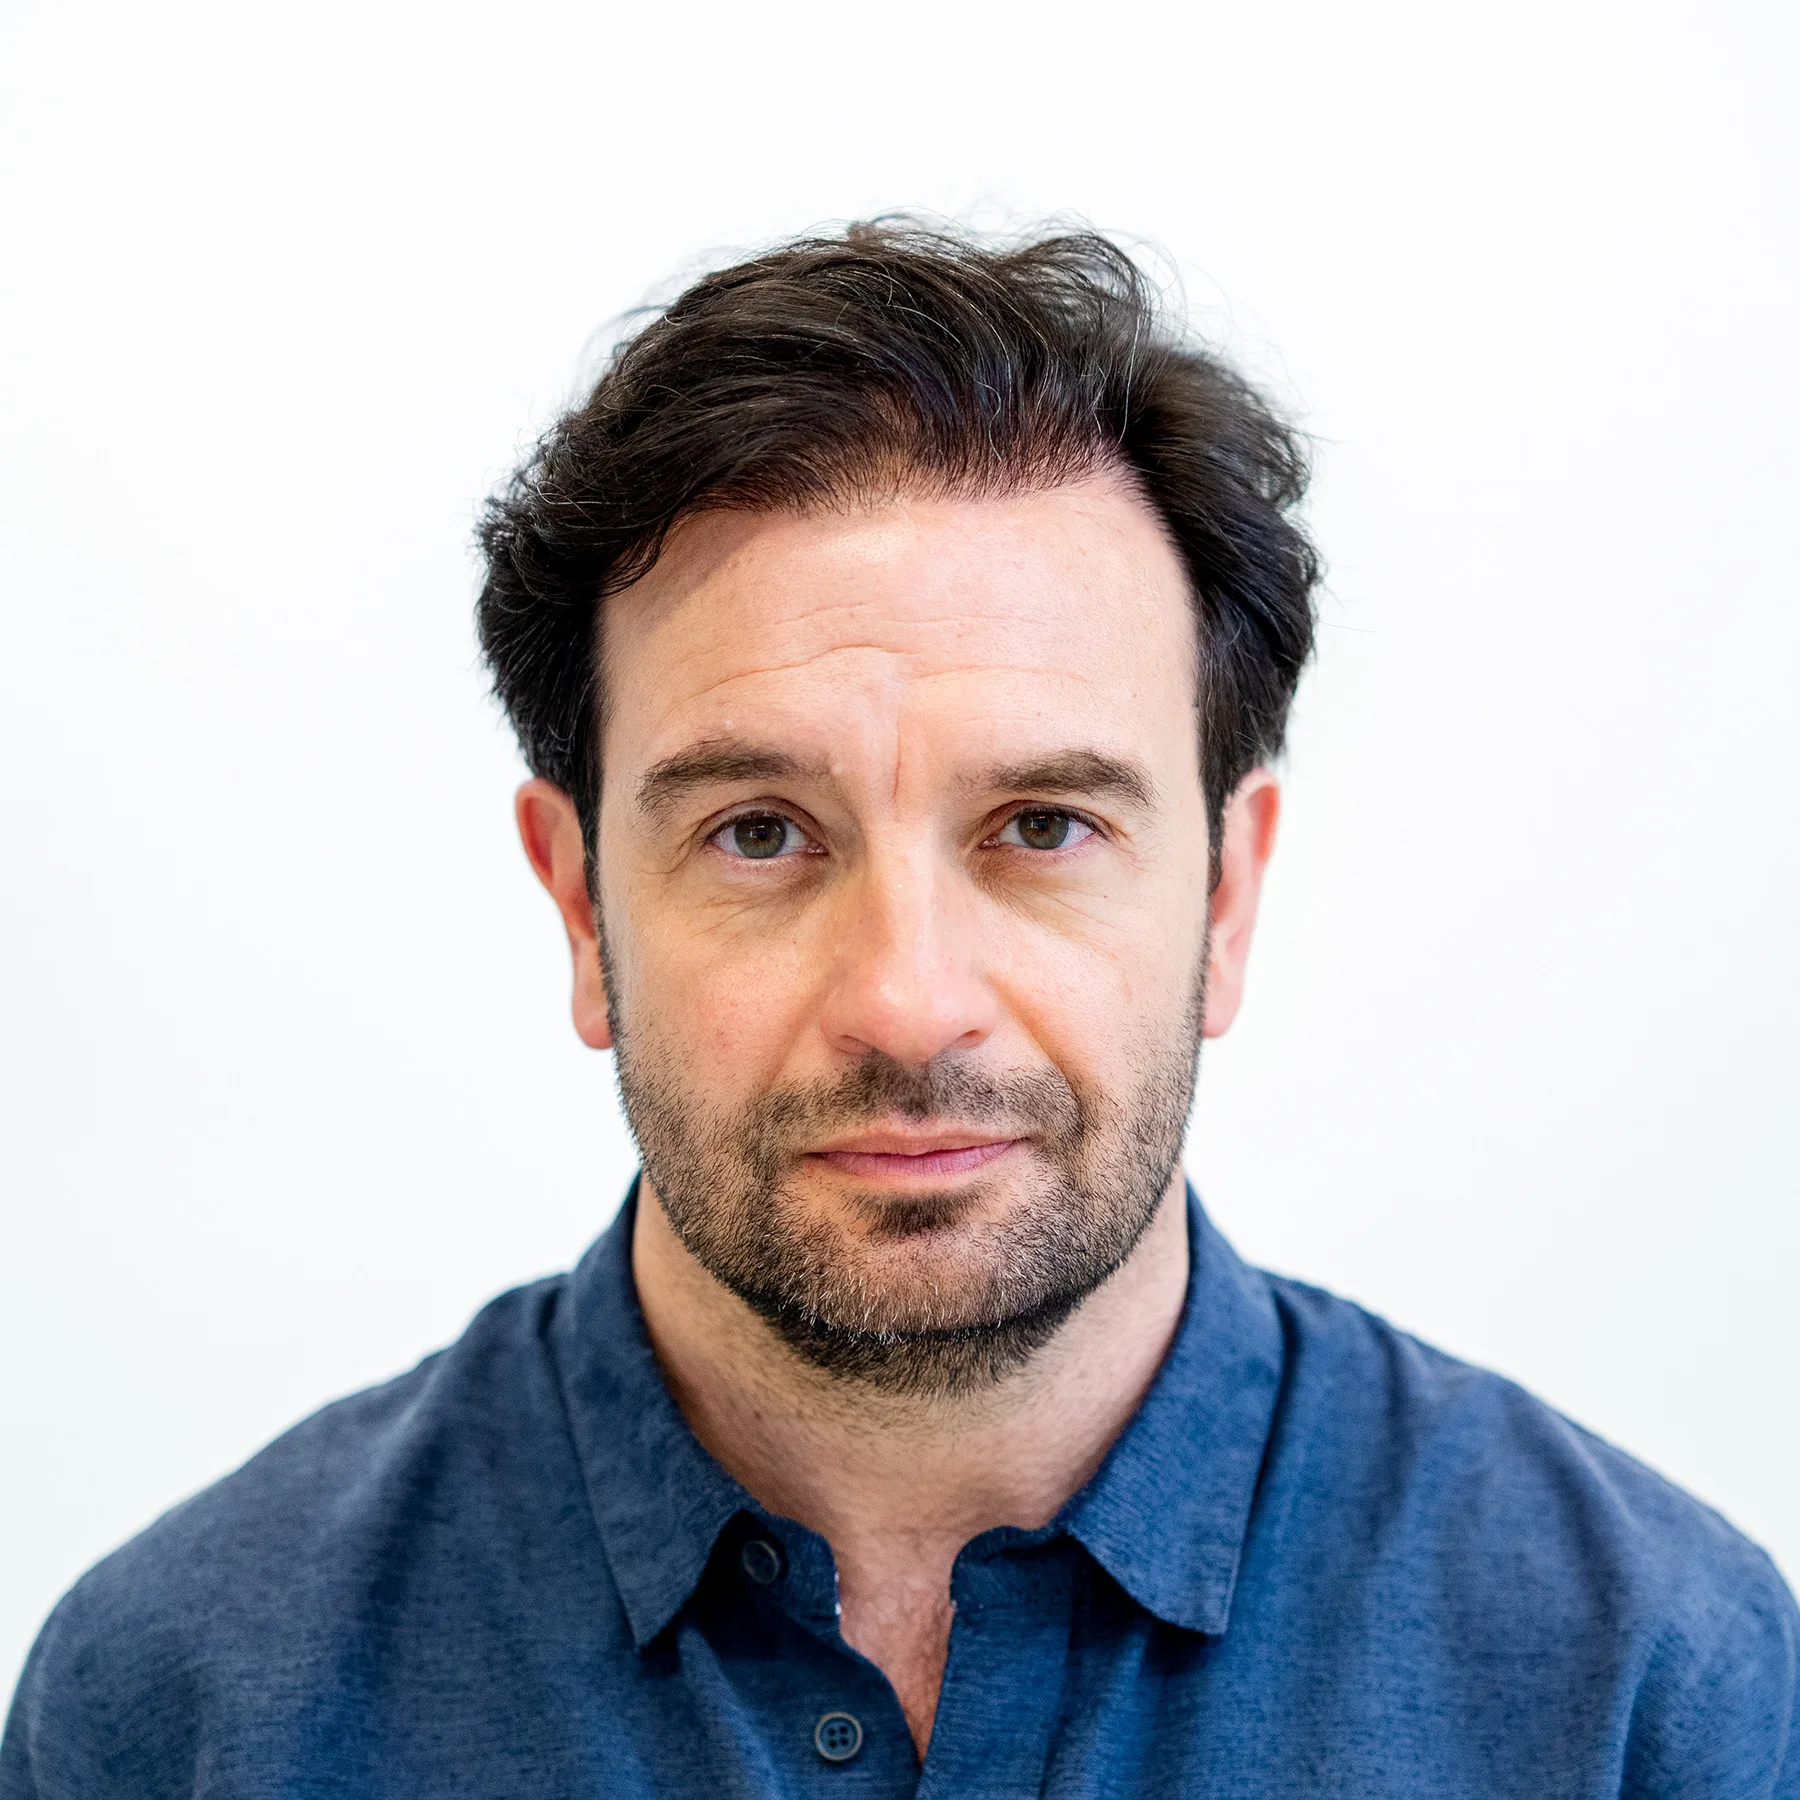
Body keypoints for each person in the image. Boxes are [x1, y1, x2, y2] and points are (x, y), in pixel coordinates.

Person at [4, 221, 1794, 1799]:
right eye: (762, 832)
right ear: (580, 906)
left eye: (1041, 826)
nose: (910, 1001)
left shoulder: (1654, 1688)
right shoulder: (182, 1708)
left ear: (1227, 899)